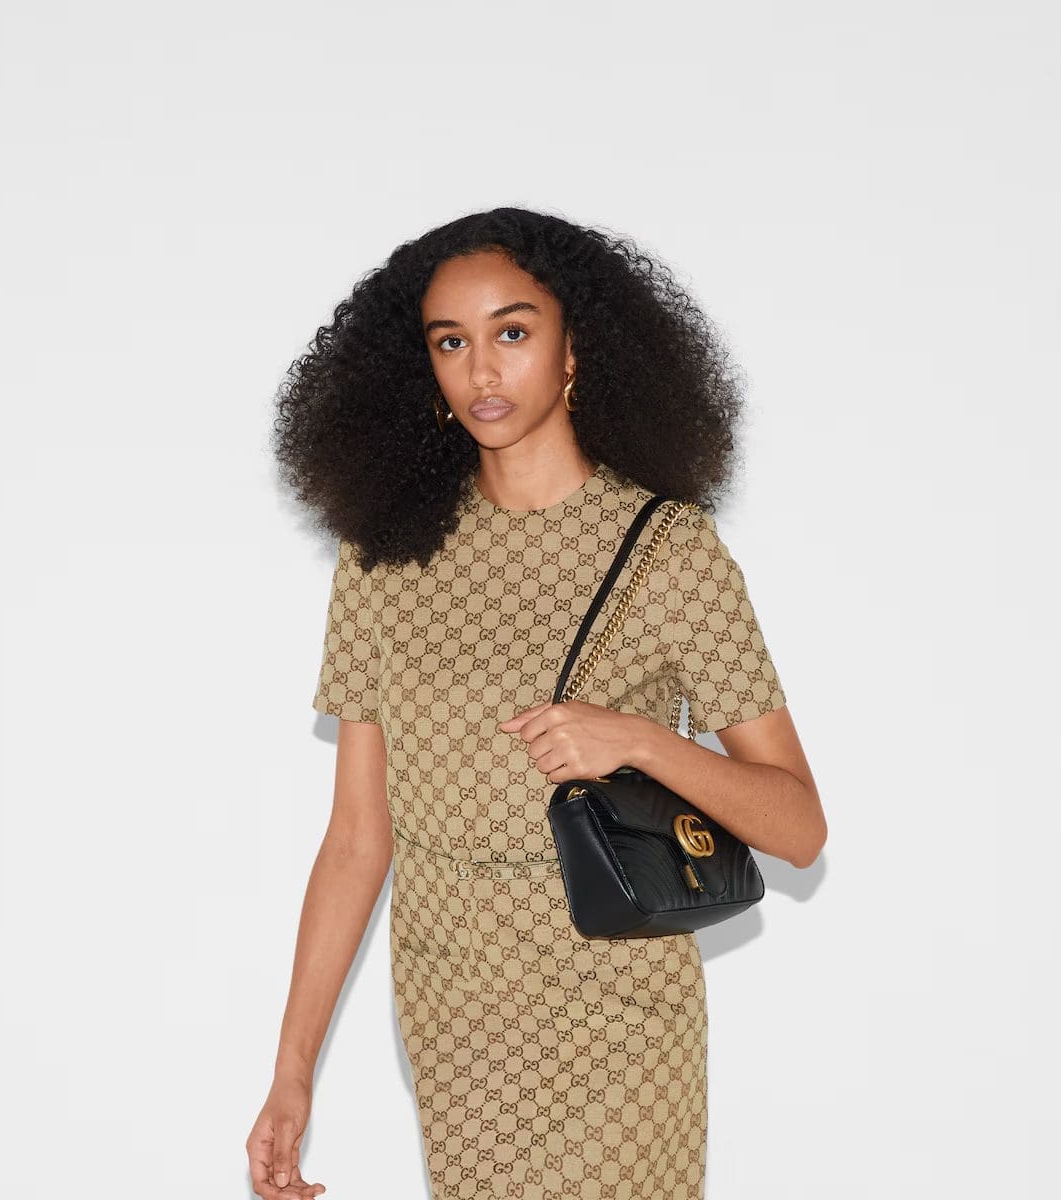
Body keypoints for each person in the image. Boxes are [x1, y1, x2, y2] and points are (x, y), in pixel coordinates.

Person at [247, 207, 826, 1200]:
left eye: (512, 332)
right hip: (453, 1006)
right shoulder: (383, 556)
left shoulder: (668, 550)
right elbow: (357, 838)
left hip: (618, 1012)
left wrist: (640, 741)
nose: (481, 369)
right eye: (450, 342)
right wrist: (292, 1074)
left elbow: (799, 827)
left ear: (573, 349)